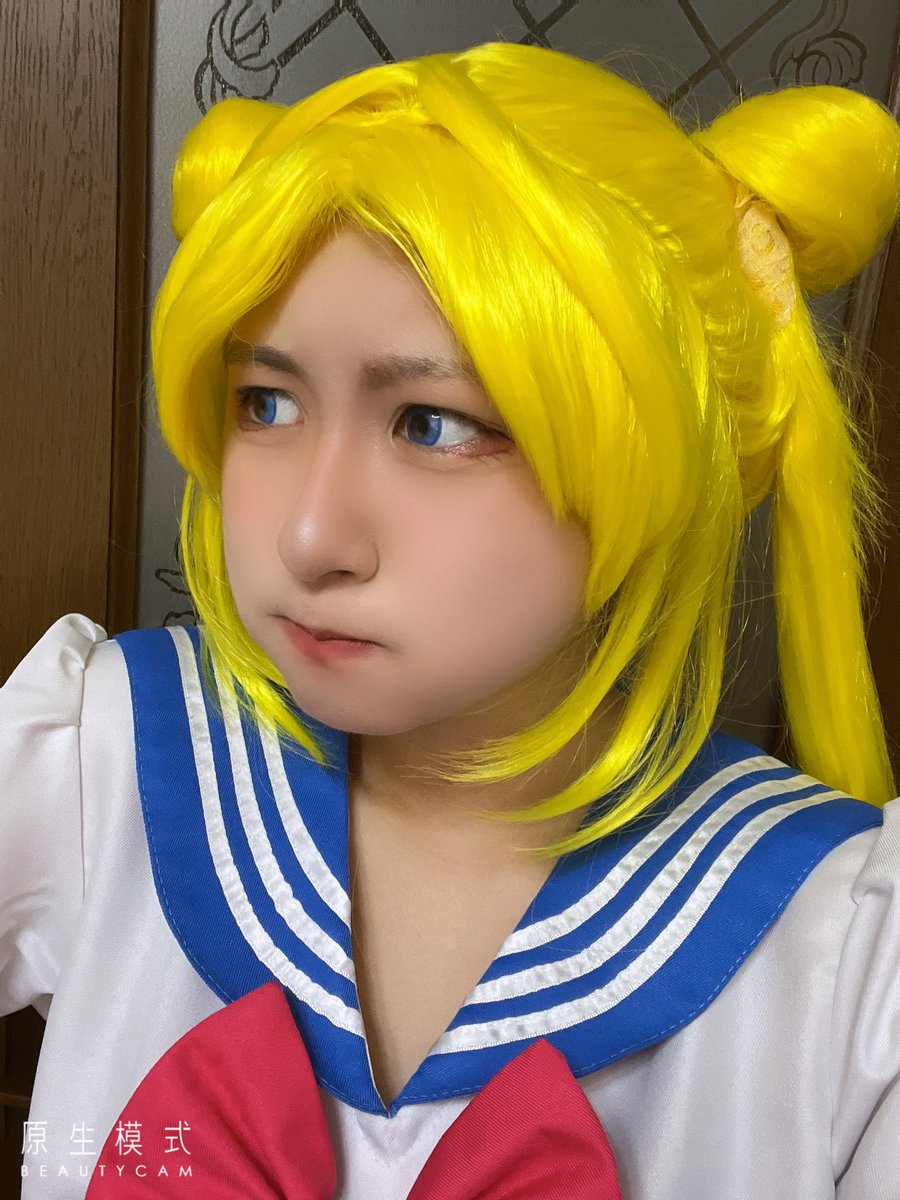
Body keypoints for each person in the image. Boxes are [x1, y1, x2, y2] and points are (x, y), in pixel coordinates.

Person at [3, 40, 900, 1199]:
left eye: (433, 424)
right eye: (265, 403)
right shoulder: (103, 762)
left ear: (663, 451)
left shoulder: (842, 960)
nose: (310, 536)